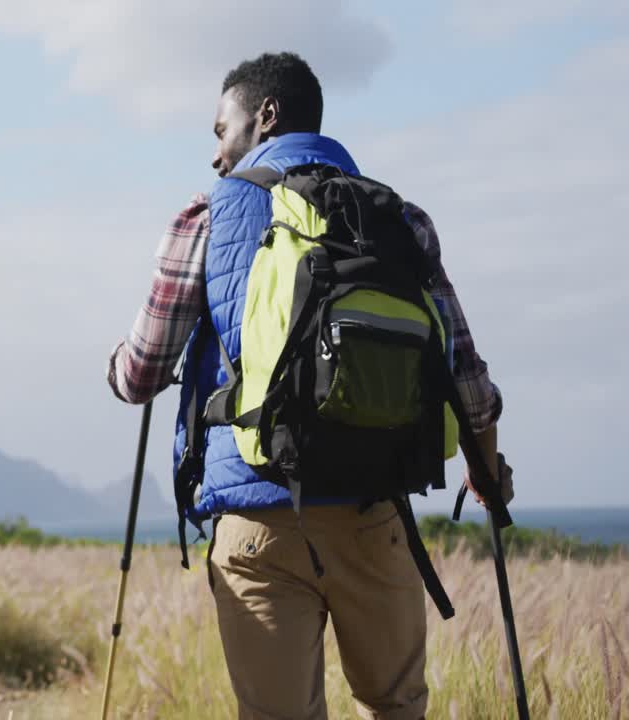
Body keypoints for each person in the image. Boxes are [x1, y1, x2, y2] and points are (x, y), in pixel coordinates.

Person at [107, 53, 509, 719]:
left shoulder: (204, 216)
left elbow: (141, 373)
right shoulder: (400, 220)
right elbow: (464, 375)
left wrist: (115, 366)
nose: (215, 154)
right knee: (397, 706)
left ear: (265, 117)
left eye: (220, 130)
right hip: (374, 516)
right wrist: (486, 469)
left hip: (258, 521)